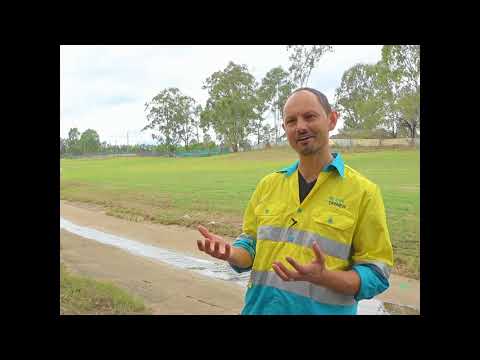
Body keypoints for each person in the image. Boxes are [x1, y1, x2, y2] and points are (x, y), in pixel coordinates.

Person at [196, 87, 394, 315]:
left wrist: (325, 277)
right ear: (285, 129)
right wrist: (230, 253)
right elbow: (249, 247)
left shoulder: (363, 192)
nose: (300, 126)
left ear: (332, 119)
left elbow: (377, 274)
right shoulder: (268, 185)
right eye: (291, 121)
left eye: (310, 116)